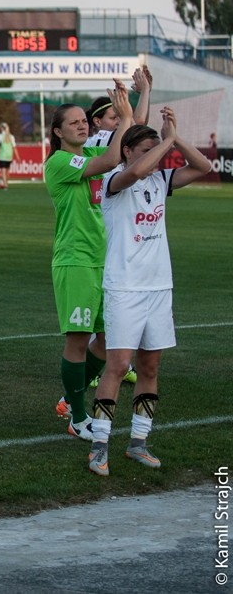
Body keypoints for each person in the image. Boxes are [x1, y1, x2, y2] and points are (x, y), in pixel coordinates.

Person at [88, 108, 212, 476]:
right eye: (146, 150)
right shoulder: (113, 180)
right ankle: (99, 446)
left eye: (157, 151)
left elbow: (203, 166)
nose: (155, 158)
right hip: (125, 287)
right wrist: (166, 141)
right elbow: (136, 172)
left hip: (159, 286)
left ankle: (138, 443)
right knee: (117, 366)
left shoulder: (161, 180)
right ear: (126, 151)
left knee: (150, 366)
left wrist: (174, 137)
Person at [43, 79, 133, 442]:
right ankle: (78, 418)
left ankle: (70, 397)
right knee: (78, 339)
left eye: (84, 120)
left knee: (108, 338)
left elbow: (122, 148)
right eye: (74, 122)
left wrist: (132, 107)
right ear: (58, 132)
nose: (82, 125)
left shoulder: (88, 153)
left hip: (100, 259)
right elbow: (112, 158)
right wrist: (125, 116)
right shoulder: (59, 162)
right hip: (75, 260)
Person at [79, 67, 154, 391]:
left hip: (108, 226)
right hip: (100, 229)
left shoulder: (106, 139)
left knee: (111, 310)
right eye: (113, 117)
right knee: (108, 308)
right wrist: (143, 94)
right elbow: (136, 129)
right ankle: (96, 370)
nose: (119, 120)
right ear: (97, 122)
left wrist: (140, 96)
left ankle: (113, 363)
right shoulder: (101, 141)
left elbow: (135, 129)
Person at [0, 122, 18, 189]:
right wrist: (18, 157)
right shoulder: (11, 136)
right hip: (9, 156)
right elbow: (14, 147)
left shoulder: (0, 136)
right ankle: (5, 183)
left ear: (1, 128)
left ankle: (5, 185)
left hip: (2, 156)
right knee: (7, 172)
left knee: (3, 171)